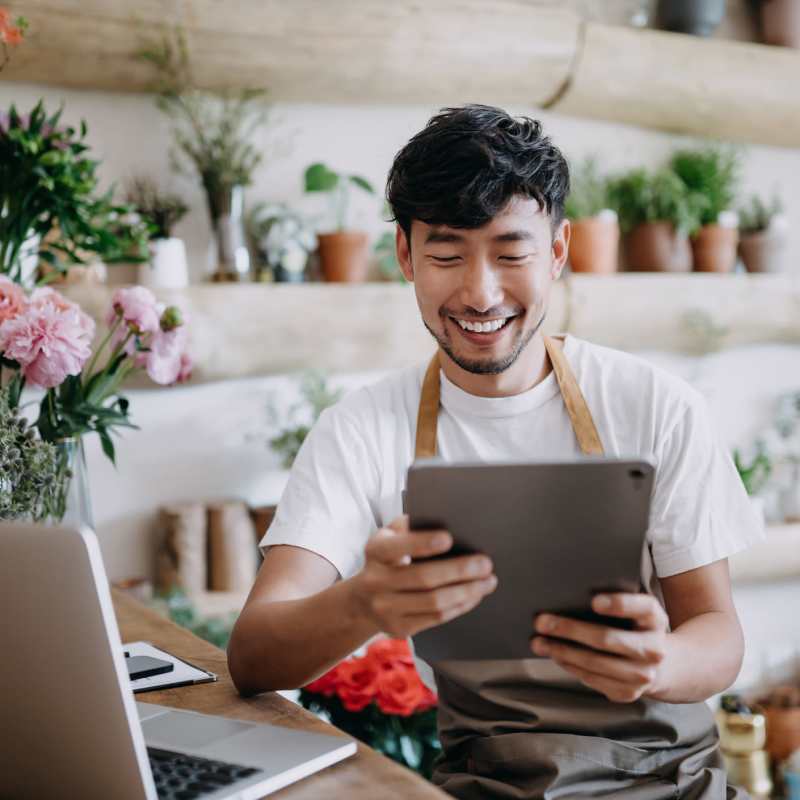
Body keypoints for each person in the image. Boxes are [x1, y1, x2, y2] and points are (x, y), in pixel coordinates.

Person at [228, 104, 763, 799]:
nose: (480, 293)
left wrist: (658, 662)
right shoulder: (359, 429)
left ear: (559, 252)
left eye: (512, 253)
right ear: (404, 255)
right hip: (487, 785)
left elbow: (718, 634)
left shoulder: (655, 405)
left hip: (670, 783)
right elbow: (252, 654)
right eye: (447, 255)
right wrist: (364, 603)